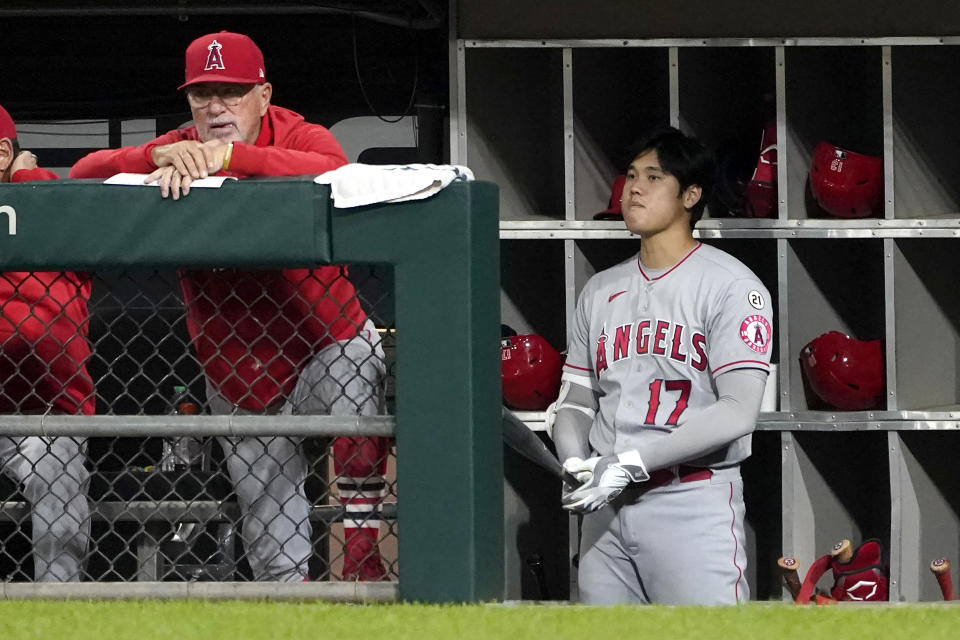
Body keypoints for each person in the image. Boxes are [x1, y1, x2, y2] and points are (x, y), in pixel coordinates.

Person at [70, 32, 390, 582]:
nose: (215, 107)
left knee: (357, 381)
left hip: (322, 344)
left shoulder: (296, 131)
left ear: (263, 94)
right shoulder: (176, 145)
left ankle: (362, 557)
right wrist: (154, 154)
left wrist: (232, 156)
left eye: (232, 92)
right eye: (202, 94)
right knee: (275, 552)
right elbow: (81, 174)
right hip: (238, 369)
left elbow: (332, 165)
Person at [552, 126, 773, 605]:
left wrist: (631, 464)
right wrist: (573, 457)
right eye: (632, 175)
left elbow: (738, 411)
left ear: (691, 194)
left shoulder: (732, 286)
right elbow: (576, 399)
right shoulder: (600, 289)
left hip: (690, 502)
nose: (635, 187)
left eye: (654, 177)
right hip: (605, 509)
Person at [0, 104, 94, 581]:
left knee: (56, 469)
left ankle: (61, 603)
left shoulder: (51, 203)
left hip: (47, 414)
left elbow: (75, 206)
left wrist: (26, 182)